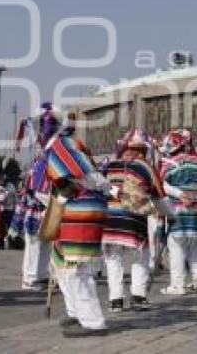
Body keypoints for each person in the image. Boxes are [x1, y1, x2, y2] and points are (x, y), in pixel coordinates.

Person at [45, 119, 110, 337]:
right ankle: (77, 313)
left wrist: (64, 192)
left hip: (82, 209)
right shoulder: (67, 148)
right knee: (65, 266)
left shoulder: (61, 148)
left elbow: (81, 181)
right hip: (77, 209)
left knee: (77, 268)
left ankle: (93, 321)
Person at [102, 129, 163, 312]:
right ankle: (138, 296)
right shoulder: (144, 166)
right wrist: (170, 214)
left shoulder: (111, 165)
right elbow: (158, 195)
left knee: (113, 258)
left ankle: (116, 301)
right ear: (142, 150)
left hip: (110, 218)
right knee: (141, 255)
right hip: (133, 218)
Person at [159, 129, 197, 295]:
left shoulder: (171, 161)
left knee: (176, 245)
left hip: (181, 209)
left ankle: (178, 285)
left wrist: (179, 194)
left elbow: (162, 184)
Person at [10, 103, 59, 291]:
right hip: (38, 206)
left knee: (45, 241)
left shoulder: (48, 157)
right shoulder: (42, 160)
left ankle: (41, 276)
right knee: (34, 242)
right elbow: (38, 188)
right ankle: (30, 278)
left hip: (46, 206)